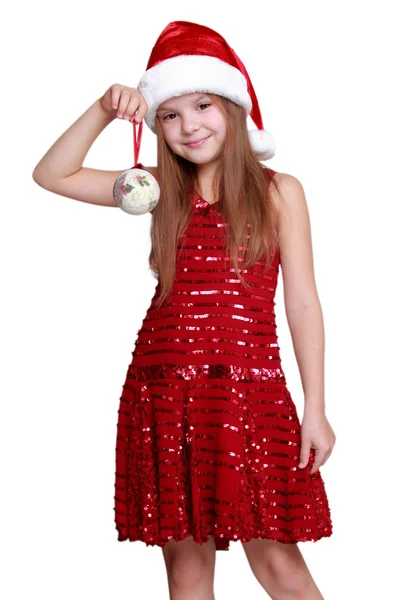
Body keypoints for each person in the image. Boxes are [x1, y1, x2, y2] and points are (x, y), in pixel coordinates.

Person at [33, 19, 335, 600]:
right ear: (156, 126)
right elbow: (52, 174)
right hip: (166, 389)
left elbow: (302, 301)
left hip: (250, 393)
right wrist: (103, 108)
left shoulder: (279, 192)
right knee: (187, 573)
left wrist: (315, 408)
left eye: (202, 105)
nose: (188, 125)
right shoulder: (153, 188)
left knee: (278, 563)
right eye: (169, 114)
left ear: (233, 108)